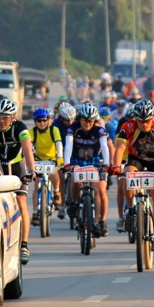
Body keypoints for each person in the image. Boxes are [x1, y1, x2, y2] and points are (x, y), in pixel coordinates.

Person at [0, 98, 35, 263]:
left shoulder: (21, 128)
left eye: (6, 117)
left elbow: (28, 151)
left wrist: (31, 171)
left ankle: (24, 245)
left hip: (16, 165)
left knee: (21, 200)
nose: (2, 120)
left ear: (13, 117)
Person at [111, 99, 154, 249]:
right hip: (136, 158)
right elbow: (119, 148)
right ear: (135, 119)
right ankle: (132, 211)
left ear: (152, 118)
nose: (144, 124)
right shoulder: (128, 126)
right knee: (126, 176)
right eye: (140, 121)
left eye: (147, 121)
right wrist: (115, 165)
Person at [63, 102, 111, 238]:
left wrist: (106, 164)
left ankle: (96, 223)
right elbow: (69, 145)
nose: (87, 124)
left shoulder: (99, 130)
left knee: (96, 189)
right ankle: (73, 203)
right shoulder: (73, 128)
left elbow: (105, 146)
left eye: (90, 121)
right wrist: (67, 163)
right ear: (80, 119)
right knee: (74, 179)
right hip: (77, 161)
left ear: (94, 120)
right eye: (84, 120)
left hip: (93, 162)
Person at [29, 107, 63, 225]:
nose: (42, 123)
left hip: (52, 159)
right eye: (39, 121)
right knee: (37, 184)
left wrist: (59, 158)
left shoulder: (54, 130)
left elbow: (58, 144)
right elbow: (28, 146)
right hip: (38, 160)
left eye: (44, 120)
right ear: (35, 122)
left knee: (54, 172)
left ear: (48, 120)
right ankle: (35, 212)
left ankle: (57, 192)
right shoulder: (32, 132)